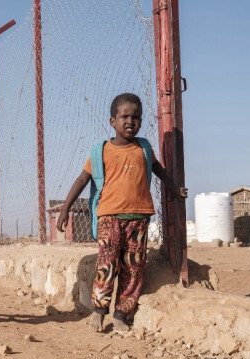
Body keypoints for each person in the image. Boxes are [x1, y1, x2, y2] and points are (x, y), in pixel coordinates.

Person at [56, 93, 187, 332]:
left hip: (139, 218)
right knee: (107, 264)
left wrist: (174, 188)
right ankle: (99, 310)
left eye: (136, 117)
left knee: (134, 268)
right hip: (109, 217)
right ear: (112, 121)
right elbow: (82, 180)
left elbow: (159, 171)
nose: (130, 121)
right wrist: (65, 209)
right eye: (124, 116)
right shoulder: (101, 151)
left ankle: (121, 314)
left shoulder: (144, 148)